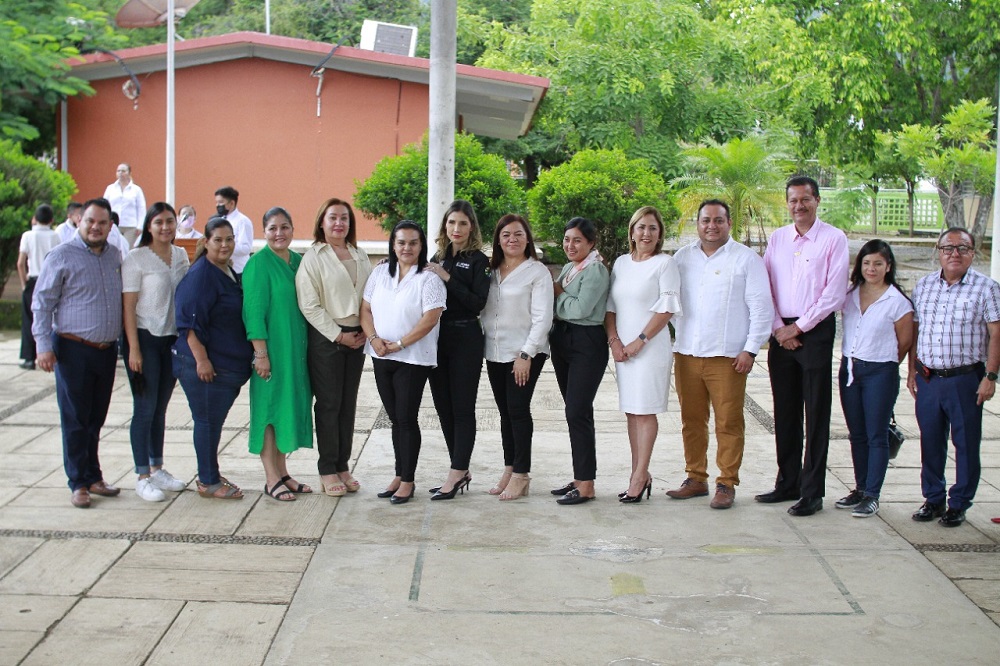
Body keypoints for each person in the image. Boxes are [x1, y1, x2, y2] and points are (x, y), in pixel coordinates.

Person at [669, 200, 773, 509]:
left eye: (718, 220)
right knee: (691, 421)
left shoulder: (746, 259)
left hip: (728, 359)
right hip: (687, 354)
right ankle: (695, 478)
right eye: (705, 220)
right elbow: (670, 302)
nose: (711, 226)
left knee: (728, 422)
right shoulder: (682, 258)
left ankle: (726, 482)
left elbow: (761, 308)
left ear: (729, 223)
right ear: (698, 223)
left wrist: (750, 349)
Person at [758, 175, 849, 517]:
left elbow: (834, 293)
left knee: (816, 413)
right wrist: (780, 328)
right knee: (785, 410)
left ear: (817, 200)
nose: (799, 206)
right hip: (781, 330)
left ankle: (812, 492)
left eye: (805, 199)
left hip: (815, 331)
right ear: (787, 203)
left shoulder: (833, 239)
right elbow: (765, 286)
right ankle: (788, 482)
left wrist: (798, 327)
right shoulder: (778, 238)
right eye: (793, 200)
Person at [32, 198, 123, 508]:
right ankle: (78, 482)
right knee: (75, 418)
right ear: (78, 221)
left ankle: (94, 475)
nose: (95, 227)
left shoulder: (114, 255)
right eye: (90, 221)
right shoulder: (61, 255)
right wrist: (43, 346)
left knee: (96, 417)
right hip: (72, 349)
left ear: (110, 226)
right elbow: (41, 303)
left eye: (102, 222)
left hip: (105, 351)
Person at [907, 227, 1000, 527]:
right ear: (939, 251)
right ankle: (933, 498)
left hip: (965, 379)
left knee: (966, 443)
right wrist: (911, 370)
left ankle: (959, 503)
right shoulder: (924, 286)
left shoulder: (987, 288)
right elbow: (916, 331)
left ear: (973, 253)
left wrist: (991, 376)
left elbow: (996, 334)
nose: (954, 254)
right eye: (948, 248)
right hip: (929, 378)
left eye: (962, 248)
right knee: (930, 441)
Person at [362, 221, 446, 505]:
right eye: (401, 242)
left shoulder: (429, 278)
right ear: (393, 245)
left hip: (412, 358)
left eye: (413, 242)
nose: (407, 247)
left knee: (406, 418)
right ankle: (399, 474)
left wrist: (399, 343)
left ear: (421, 246)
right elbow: (365, 309)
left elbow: (430, 318)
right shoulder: (379, 273)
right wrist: (374, 339)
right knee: (395, 418)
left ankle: (408, 480)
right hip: (381, 355)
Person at [605, 206, 681, 504]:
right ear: (632, 232)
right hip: (623, 350)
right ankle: (639, 472)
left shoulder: (665, 264)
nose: (646, 233)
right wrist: (614, 341)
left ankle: (639, 476)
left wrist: (640, 341)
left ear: (659, 234)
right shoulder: (621, 263)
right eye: (641, 227)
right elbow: (611, 307)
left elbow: (667, 309)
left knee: (646, 411)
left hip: (649, 350)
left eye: (652, 228)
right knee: (632, 411)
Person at [173, 217, 253, 500]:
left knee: (213, 422)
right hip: (204, 366)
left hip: (226, 364)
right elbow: (188, 324)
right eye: (218, 240)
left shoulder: (226, 270)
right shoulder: (201, 275)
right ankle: (208, 481)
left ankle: (211, 473)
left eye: (229, 239)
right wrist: (202, 361)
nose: (224, 245)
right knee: (207, 422)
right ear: (205, 242)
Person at [296, 198, 372, 497]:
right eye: (333, 218)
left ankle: (342, 464)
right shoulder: (313, 257)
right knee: (329, 404)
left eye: (344, 218)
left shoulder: (359, 254)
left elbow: (369, 296)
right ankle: (327, 468)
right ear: (322, 222)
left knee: (347, 404)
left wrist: (365, 330)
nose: (339, 223)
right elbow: (309, 305)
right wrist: (339, 336)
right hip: (327, 339)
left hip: (357, 337)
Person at [835, 240, 913, 518]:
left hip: (880, 371)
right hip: (850, 369)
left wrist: (882, 363)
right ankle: (860, 488)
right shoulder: (850, 295)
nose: (871, 268)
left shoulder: (897, 302)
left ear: (888, 267)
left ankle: (872, 494)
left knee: (876, 435)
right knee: (856, 433)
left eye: (878, 263)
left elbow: (904, 342)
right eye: (867, 263)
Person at [243, 207, 314, 501]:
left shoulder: (298, 261)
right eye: (272, 228)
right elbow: (253, 313)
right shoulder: (258, 265)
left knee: (287, 409)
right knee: (269, 412)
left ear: (293, 229)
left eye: (285, 227)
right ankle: (271, 477)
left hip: (295, 352)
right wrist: (260, 354)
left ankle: (283, 472)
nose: (279, 233)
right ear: (264, 232)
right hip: (271, 351)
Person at [481, 214, 553, 501]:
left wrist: (526, 354)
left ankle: (522, 474)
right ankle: (509, 469)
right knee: (505, 412)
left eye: (518, 234)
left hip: (524, 353)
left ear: (527, 238)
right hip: (494, 351)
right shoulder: (491, 271)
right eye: (506, 234)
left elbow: (543, 318)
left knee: (518, 409)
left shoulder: (537, 272)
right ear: (498, 240)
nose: (512, 239)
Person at [122, 202, 191, 502]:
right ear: (149, 225)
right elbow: (128, 307)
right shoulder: (136, 258)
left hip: (170, 341)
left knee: (160, 409)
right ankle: (142, 476)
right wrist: (133, 350)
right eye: (159, 222)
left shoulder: (180, 255)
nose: (165, 227)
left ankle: (157, 467)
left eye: (170, 221)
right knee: (145, 407)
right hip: (144, 338)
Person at [425, 200, 491, 500]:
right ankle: (458, 468)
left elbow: (477, 302)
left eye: (463, 223)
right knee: (443, 407)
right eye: (452, 222)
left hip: (466, 338)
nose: (456, 228)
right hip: (438, 338)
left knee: (462, 407)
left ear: (471, 227)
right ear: (445, 225)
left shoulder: (478, 260)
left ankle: (457, 470)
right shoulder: (438, 256)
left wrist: (447, 278)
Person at [548, 217, 609, 506]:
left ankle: (586, 485)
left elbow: (581, 309)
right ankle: (580, 477)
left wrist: (560, 293)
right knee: (576, 412)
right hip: (563, 340)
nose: (570, 245)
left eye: (577, 240)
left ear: (591, 243)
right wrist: (562, 298)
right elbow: (561, 304)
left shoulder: (596, 270)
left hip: (586, 343)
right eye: (567, 239)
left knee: (577, 411)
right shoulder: (571, 268)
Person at [18, 204, 59, 370]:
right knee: (52, 319)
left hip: (33, 280)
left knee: (29, 319)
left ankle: (29, 359)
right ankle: (53, 354)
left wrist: (24, 284)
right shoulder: (55, 236)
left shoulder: (28, 235)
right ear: (51, 220)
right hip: (51, 280)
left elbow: (20, 263)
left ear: (34, 219)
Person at [103, 163, 146, 246]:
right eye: (118, 171)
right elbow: (105, 205)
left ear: (129, 173)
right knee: (114, 247)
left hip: (131, 225)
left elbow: (141, 208)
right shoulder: (110, 188)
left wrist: (140, 226)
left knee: (128, 248)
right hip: (113, 224)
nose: (120, 173)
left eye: (123, 171)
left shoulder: (136, 190)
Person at [215, 186, 254, 273]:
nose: (217, 205)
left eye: (220, 202)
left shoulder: (243, 221)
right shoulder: (220, 220)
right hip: (223, 269)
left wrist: (225, 246)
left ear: (232, 203)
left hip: (239, 270)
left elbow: (246, 248)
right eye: (216, 202)